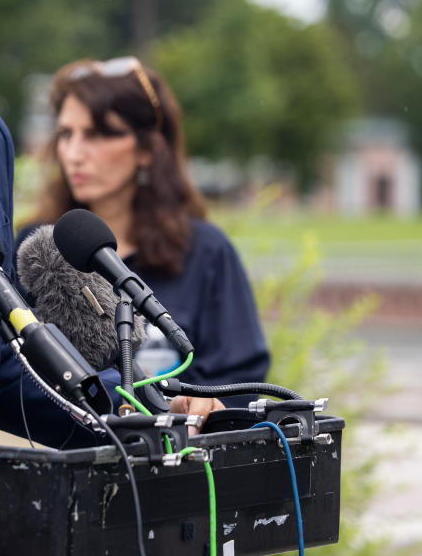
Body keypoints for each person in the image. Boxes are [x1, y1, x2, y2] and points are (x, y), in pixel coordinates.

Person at [21, 56, 270, 399]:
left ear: (147, 148)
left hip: (177, 449)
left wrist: (207, 410)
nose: (74, 153)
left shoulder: (205, 251)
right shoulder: (34, 251)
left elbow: (241, 380)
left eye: (97, 134)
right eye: (65, 134)